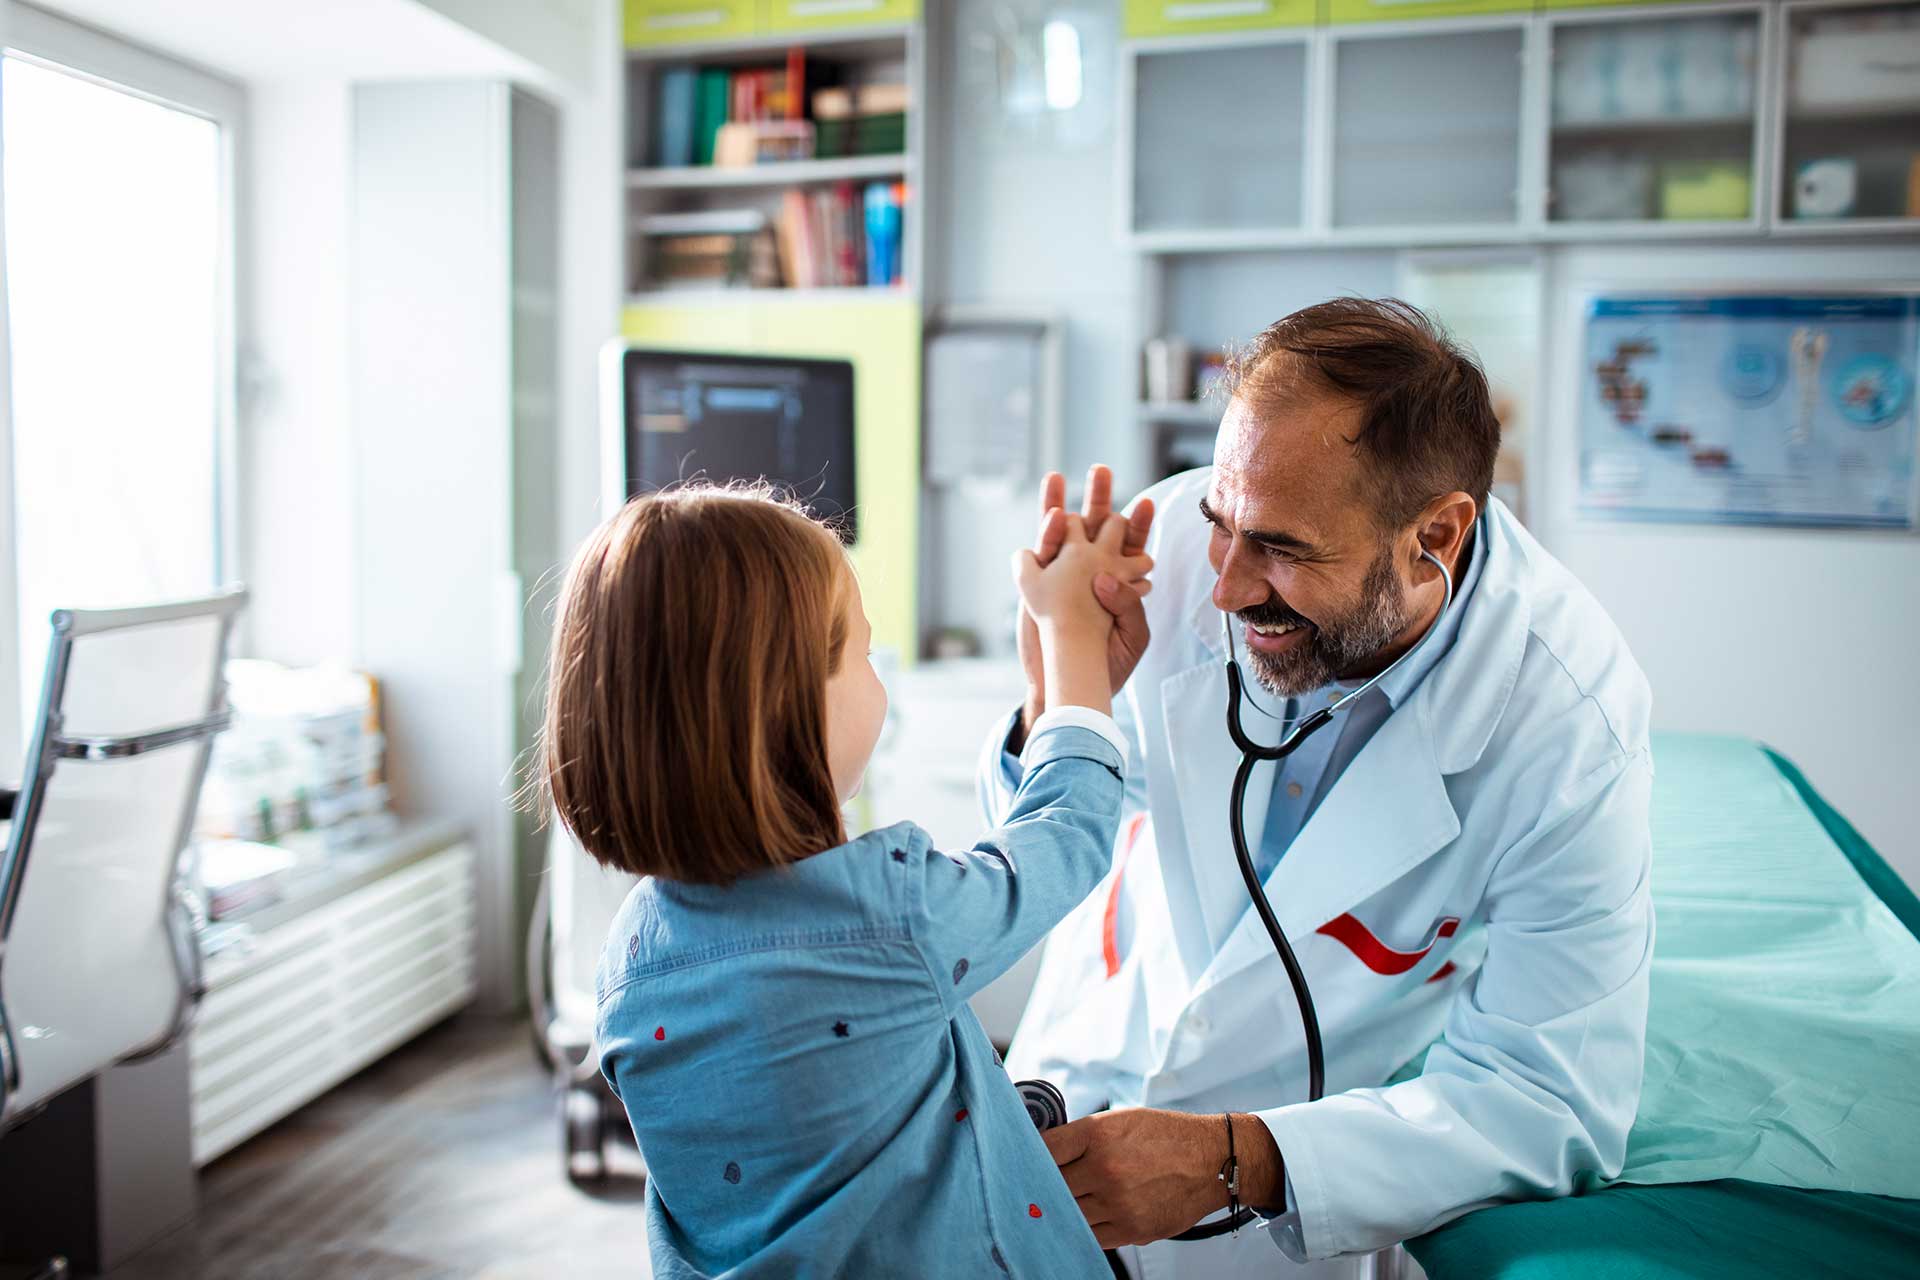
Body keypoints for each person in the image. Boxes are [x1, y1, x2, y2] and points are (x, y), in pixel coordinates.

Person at [981, 298, 1656, 1278]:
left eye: (1285, 550)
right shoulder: (1170, 543)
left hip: (1284, 1219)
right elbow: (1041, 851)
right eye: (1223, 523)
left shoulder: (1565, 719)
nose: (1222, 586)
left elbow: (1550, 1101)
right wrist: (1062, 689)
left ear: (1438, 534)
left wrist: (1239, 1156)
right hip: (1072, 1091)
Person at [534, 483, 1152, 1279]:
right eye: (862, 651)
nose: (877, 678)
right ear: (790, 705)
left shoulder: (630, 960)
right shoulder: (888, 915)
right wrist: (1071, 637)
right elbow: (1066, 833)